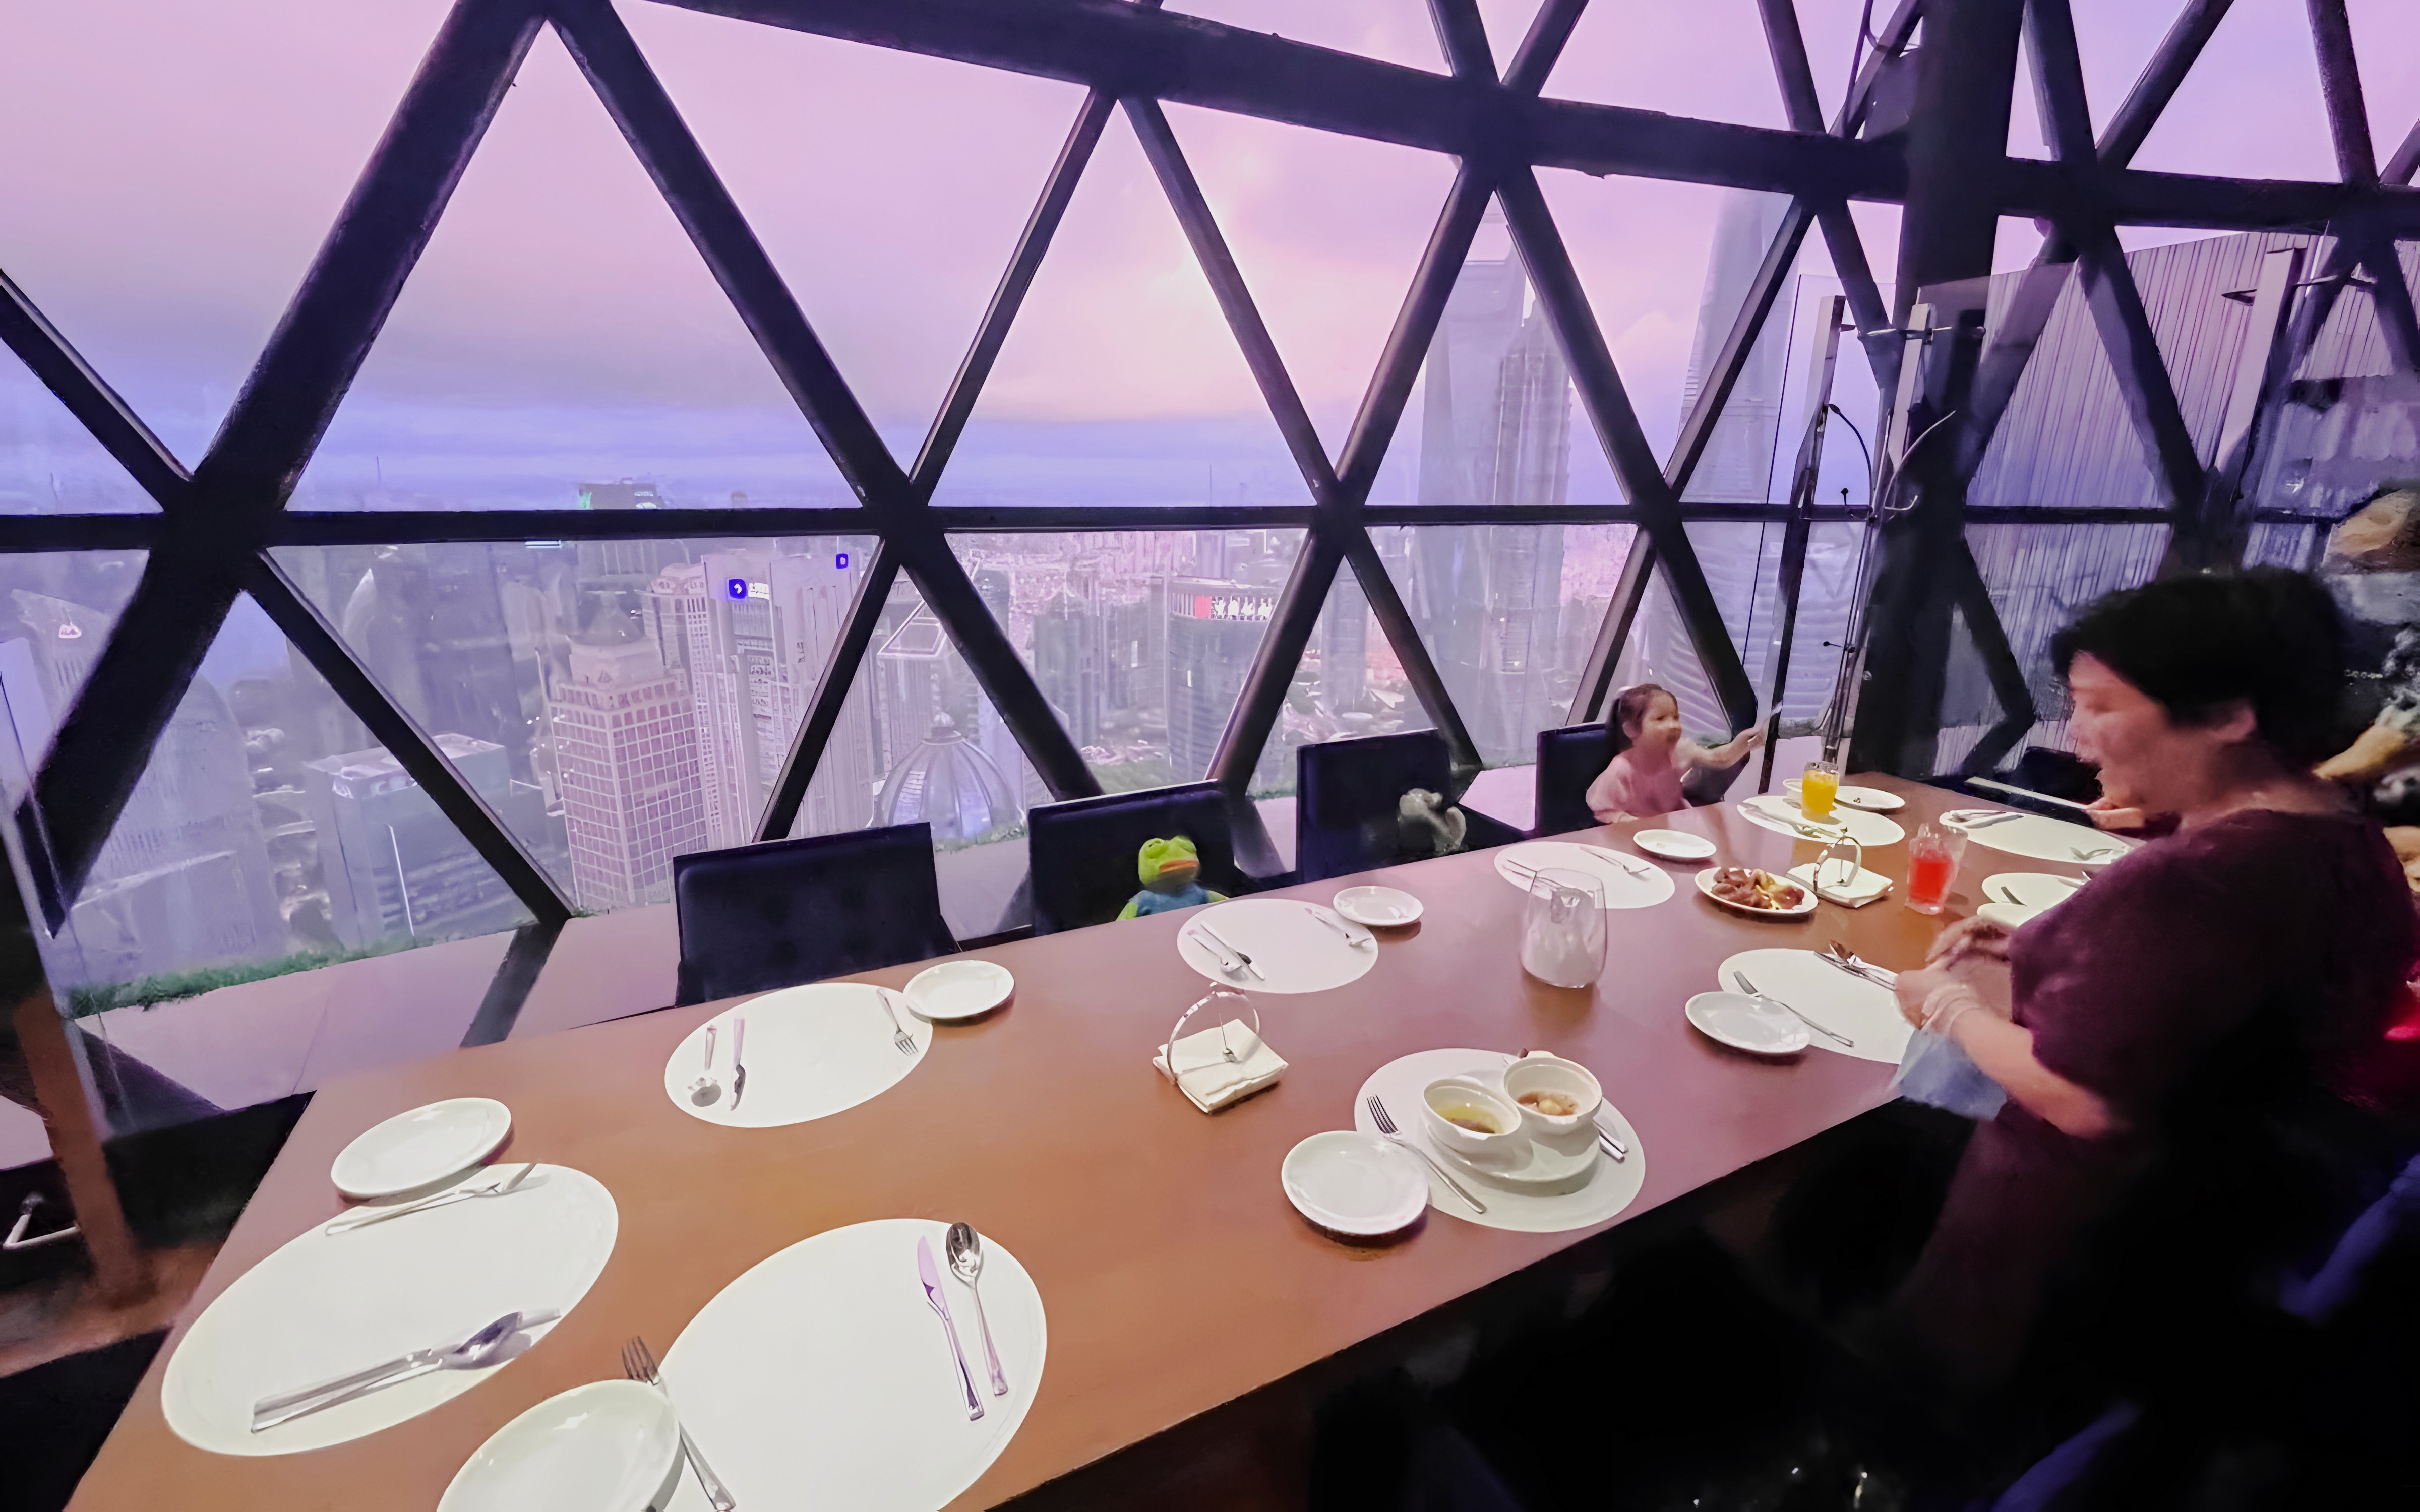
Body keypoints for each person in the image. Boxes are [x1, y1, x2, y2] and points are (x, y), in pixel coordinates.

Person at [1878, 569, 2415, 1391]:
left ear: (2232, 716)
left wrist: (1945, 1005)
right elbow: (2214, 1005)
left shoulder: (2195, 880)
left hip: (2070, 1243)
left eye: (2098, 706)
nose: (2078, 734)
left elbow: (2089, 1104)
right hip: (2217, 1240)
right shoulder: (2353, 844)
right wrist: (2051, 947)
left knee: (1957, 1411)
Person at [1584, 683, 1763, 823]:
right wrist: (1639, 825)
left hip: (1675, 826)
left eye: (1676, 717)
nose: (1673, 725)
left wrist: (1747, 742)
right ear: (1632, 730)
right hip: (1637, 836)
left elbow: (1720, 759)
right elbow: (1605, 812)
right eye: (1660, 719)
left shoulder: (1680, 752)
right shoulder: (1621, 769)